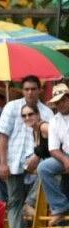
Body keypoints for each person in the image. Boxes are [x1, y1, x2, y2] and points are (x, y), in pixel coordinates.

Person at [0, 75, 53, 228]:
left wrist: (37, 155)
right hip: (14, 162)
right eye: (26, 89)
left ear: (39, 91)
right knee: (14, 203)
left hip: (40, 161)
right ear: (22, 91)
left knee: (47, 173)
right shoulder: (11, 107)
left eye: (33, 89)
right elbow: (2, 136)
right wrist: (3, 163)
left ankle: (31, 205)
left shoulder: (47, 112)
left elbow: (51, 141)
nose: (30, 93)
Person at [36, 83, 69, 219]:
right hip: (66, 155)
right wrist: (65, 160)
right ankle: (60, 206)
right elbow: (53, 149)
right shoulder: (54, 120)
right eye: (57, 102)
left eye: (63, 100)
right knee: (43, 167)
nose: (60, 104)